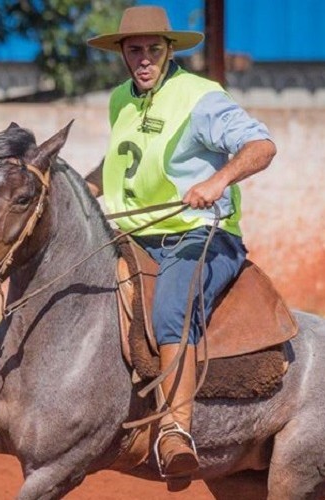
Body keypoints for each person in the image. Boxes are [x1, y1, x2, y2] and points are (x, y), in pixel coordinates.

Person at [84, 5, 276, 488]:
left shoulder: (201, 97)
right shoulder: (120, 101)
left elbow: (261, 146)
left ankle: (175, 431)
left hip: (201, 235)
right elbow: (122, 161)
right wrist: (80, 187)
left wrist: (219, 179)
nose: (144, 58)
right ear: (123, 55)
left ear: (170, 50)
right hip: (134, 235)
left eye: (153, 49)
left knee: (171, 308)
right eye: (135, 50)